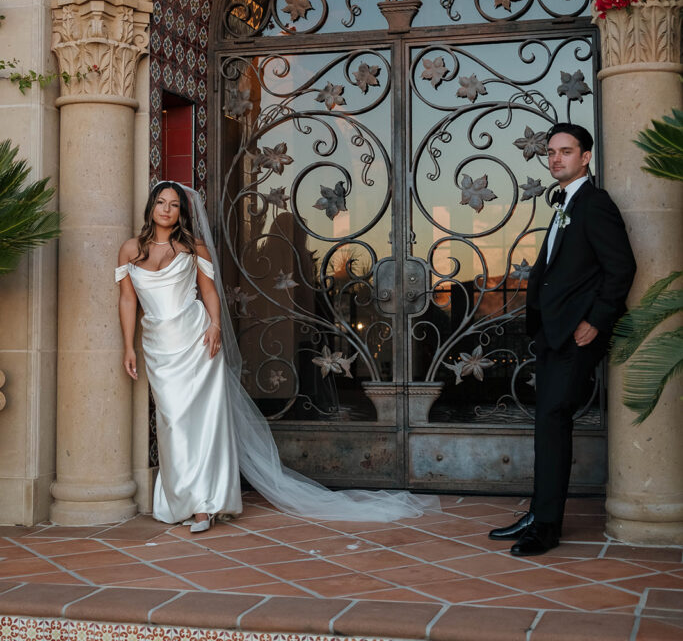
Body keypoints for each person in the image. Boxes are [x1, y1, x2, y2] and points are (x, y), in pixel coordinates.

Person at [116, 181, 440, 530]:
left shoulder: (192, 247)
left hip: (196, 341)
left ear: (182, 211)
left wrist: (214, 327)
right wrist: (127, 346)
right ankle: (180, 499)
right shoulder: (130, 249)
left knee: (205, 424)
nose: (166, 209)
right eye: (161, 202)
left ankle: (205, 505)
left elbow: (208, 291)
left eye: (174, 204)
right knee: (172, 423)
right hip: (158, 347)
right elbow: (127, 300)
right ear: (151, 206)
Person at [489, 123, 636, 556]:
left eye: (566, 152)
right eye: (551, 152)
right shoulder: (564, 203)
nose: (555, 159)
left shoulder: (595, 204)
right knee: (547, 426)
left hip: (578, 335)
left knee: (554, 421)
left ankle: (548, 527)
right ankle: (540, 513)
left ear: (585, 157)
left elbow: (622, 267)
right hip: (553, 334)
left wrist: (597, 319)